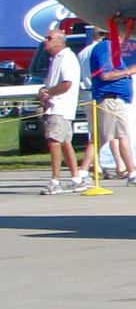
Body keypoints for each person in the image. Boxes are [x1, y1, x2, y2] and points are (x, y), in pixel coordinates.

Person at [83, 25, 136, 185]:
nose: (123, 40)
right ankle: (132, 173)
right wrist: (129, 71)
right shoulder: (105, 48)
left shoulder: (110, 50)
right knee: (122, 136)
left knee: (100, 139)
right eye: (121, 36)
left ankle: (81, 173)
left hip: (114, 99)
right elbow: (105, 75)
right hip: (111, 99)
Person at [35, 26, 84, 194]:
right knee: (64, 142)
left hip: (60, 107)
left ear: (59, 41)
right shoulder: (54, 59)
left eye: (49, 38)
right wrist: (44, 90)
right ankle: (76, 178)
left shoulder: (67, 58)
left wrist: (48, 93)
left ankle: (55, 180)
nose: (45, 42)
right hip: (55, 107)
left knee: (54, 141)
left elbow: (67, 84)